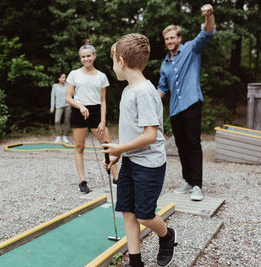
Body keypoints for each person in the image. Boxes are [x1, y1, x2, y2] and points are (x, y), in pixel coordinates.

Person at [103, 34, 177, 267]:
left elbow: (150, 135)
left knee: (145, 214)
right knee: (127, 211)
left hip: (149, 165)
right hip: (131, 161)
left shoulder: (144, 91)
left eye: (113, 60)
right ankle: (135, 262)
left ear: (122, 61)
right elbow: (133, 133)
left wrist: (120, 147)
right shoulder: (128, 90)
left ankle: (167, 236)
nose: (113, 66)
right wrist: (118, 154)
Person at [157, 4, 216, 201]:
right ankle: (188, 181)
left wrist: (209, 15)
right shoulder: (164, 65)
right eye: (166, 39)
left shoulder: (191, 48)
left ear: (179, 38)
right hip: (175, 110)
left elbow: (207, 32)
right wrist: (147, 98)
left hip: (191, 103)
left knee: (193, 143)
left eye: (172, 37)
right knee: (181, 145)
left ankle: (198, 185)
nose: (170, 41)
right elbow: (162, 89)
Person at [65, 42, 118, 193]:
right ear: (80, 58)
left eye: (88, 56)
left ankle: (116, 178)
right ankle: (82, 181)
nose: (86, 59)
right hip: (79, 110)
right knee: (79, 147)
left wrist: (102, 121)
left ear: (94, 56)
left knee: (107, 145)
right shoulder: (74, 74)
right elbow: (68, 97)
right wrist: (80, 106)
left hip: (96, 112)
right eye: (83, 57)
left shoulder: (101, 76)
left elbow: (103, 101)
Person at [50, 73, 71, 143]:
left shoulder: (68, 85)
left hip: (67, 105)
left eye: (65, 77)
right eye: (62, 77)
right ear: (59, 78)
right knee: (57, 121)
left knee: (66, 121)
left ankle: (65, 136)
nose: (64, 79)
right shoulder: (55, 86)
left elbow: (72, 94)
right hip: (59, 106)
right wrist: (52, 107)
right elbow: (53, 97)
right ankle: (58, 136)